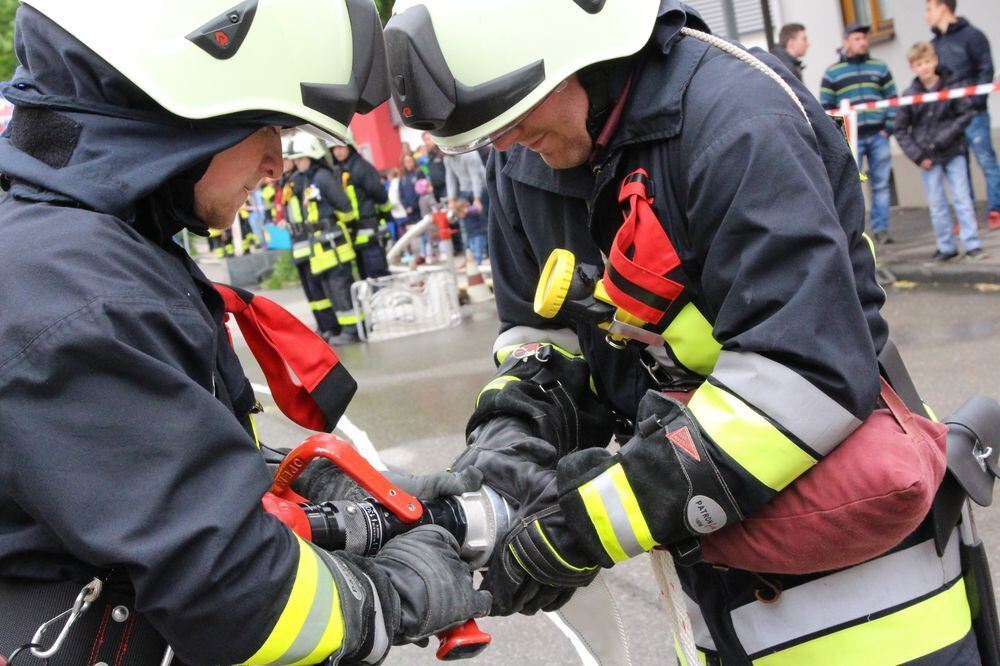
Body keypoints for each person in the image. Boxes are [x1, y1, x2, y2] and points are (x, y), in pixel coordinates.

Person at [386, 0, 982, 663]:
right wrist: (508, 448)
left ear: (576, 46)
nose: (499, 142)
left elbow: (801, 374)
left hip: (870, 602)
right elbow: (541, 333)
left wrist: (585, 526)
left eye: (509, 115)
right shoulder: (529, 156)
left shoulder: (738, 119)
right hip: (711, 593)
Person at [0, 2, 491, 664]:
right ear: (185, 107)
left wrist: (320, 486)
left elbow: (144, 467)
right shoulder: (82, 298)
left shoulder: (73, 252)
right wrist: (395, 595)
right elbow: (237, 595)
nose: (276, 165)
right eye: (268, 127)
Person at [896, 42, 983, 262]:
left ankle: (972, 244)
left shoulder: (951, 86)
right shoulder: (910, 95)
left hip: (953, 151)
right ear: (912, 67)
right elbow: (900, 129)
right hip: (927, 158)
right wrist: (918, 156)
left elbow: (966, 114)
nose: (924, 67)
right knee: (937, 204)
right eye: (919, 64)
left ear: (934, 61)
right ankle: (946, 246)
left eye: (927, 62)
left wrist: (943, 139)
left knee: (962, 199)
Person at [926, 0, 1000, 231]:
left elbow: (985, 70)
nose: (926, 15)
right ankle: (966, 215)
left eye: (929, 8)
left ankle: (995, 210)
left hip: (975, 114)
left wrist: (973, 102)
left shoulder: (973, 36)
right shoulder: (934, 45)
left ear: (943, 8)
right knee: (959, 166)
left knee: (986, 160)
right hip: (950, 119)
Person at [820, 23, 898, 244]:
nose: (862, 42)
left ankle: (882, 230)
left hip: (878, 135)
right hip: (851, 140)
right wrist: (839, 138)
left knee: (881, 183)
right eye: (857, 38)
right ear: (846, 42)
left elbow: (893, 99)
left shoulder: (880, 68)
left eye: (864, 38)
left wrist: (888, 128)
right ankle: (856, 232)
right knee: (852, 184)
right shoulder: (833, 73)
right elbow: (826, 108)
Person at [288, 133, 362, 344]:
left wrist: (333, 222)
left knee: (340, 288)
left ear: (311, 155)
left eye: (300, 158)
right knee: (331, 289)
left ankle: (352, 330)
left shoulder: (322, 177)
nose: (297, 163)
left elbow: (345, 206)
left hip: (334, 244)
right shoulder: (309, 179)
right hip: (320, 246)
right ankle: (344, 329)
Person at [332, 141, 392, 279]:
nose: (337, 151)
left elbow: (379, 193)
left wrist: (385, 214)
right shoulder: (339, 170)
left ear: (349, 146)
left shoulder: (360, 166)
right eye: (334, 148)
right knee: (365, 278)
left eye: (340, 147)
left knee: (378, 276)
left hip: (369, 230)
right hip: (354, 234)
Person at [421, 130, 448, 198]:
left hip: (447, 189)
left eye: (428, 139)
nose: (427, 142)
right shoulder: (429, 156)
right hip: (436, 192)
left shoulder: (443, 152)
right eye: (425, 140)